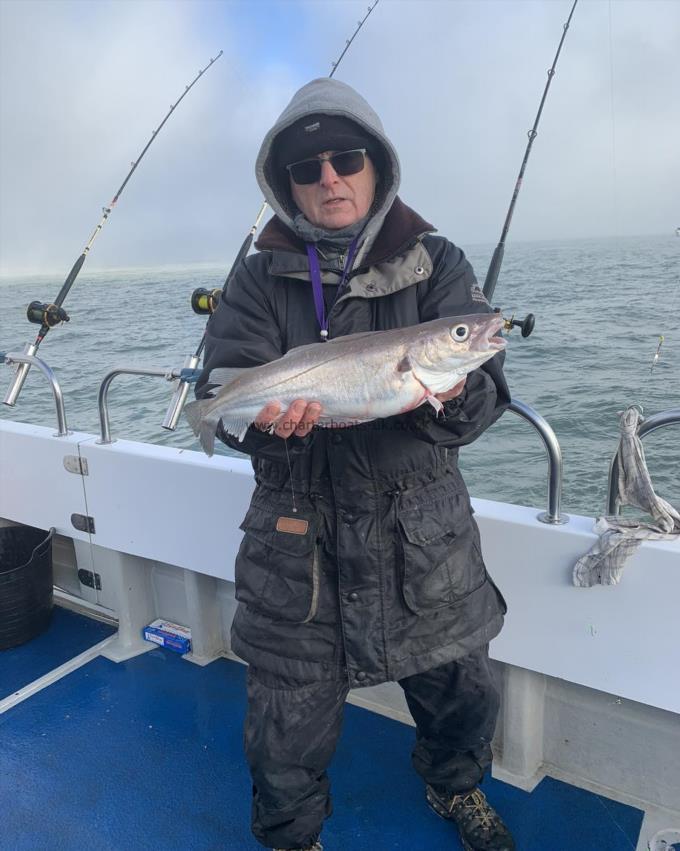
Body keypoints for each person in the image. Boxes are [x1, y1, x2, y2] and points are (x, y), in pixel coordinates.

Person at [196, 78, 514, 851]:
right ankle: (292, 839)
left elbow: (488, 389)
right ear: (286, 182)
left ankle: (453, 785)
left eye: (346, 158)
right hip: (295, 546)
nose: (328, 177)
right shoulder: (255, 274)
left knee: (463, 693)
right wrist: (265, 428)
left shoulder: (435, 261)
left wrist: (458, 389)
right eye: (308, 168)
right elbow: (228, 387)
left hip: (422, 541)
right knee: (283, 732)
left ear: (378, 165)